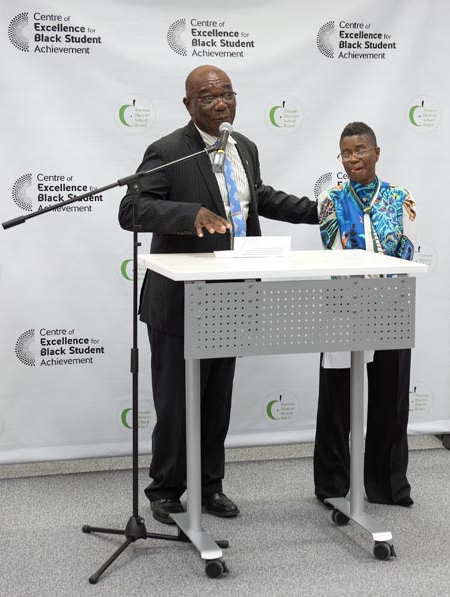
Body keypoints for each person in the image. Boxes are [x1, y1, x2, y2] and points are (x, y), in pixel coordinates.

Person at [118, 64, 317, 525]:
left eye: (227, 94)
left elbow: (257, 199)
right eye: (208, 97)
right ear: (188, 105)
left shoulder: (243, 146)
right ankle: (166, 489)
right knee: (175, 400)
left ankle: (209, 485)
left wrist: (318, 210)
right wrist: (190, 214)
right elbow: (132, 208)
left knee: (215, 399)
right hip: (179, 299)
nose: (221, 103)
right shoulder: (167, 151)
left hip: (234, 295)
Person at [313, 121, 417, 507]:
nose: (353, 158)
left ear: (377, 151)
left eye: (360, 150)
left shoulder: (398, 196)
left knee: (390, 395)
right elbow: (332, 247)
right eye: (346, 153)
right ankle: (332, 485)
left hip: (392, 303)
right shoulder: (332, 198)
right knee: (337, 396)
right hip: (345, 303)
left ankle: (386, 484)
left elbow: (401, 247)